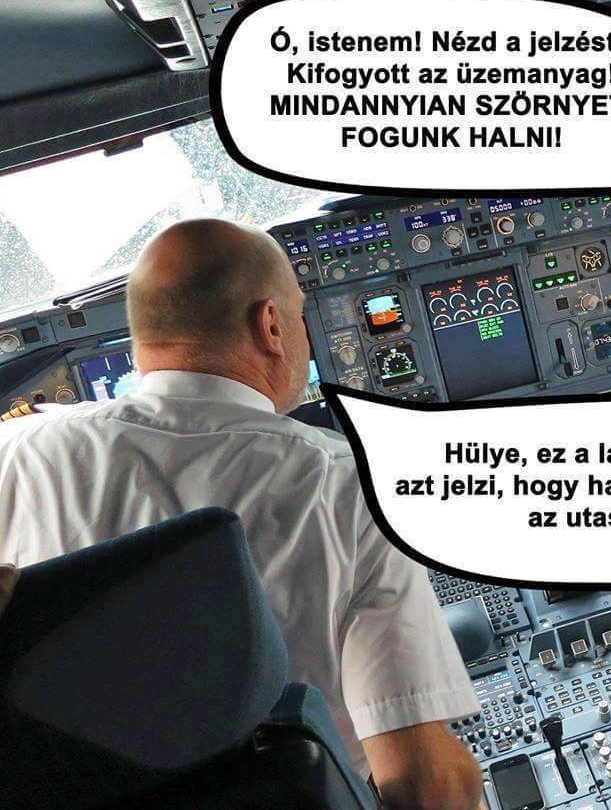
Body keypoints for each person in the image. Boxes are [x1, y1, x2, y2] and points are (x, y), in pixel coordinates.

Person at [0, 219, 481, 810]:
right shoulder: (343, 484)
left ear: (141, 340)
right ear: (271, 325)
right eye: (300, 313)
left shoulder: (16, 454)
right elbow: (425, 789)